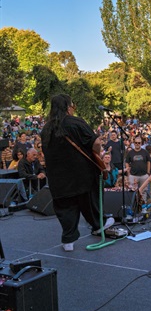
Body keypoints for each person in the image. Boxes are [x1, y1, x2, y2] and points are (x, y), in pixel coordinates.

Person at [41, 94, 114, 252]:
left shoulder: (46, 129)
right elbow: (95, 142)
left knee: (65, 207)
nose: (73, 108)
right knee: (88, 200)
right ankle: (99, 224)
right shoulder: (75, 122)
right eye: (73, 105)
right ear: (68, 106)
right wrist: (96, 154)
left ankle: (68, 240)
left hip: (58, 178)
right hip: (82, 174)